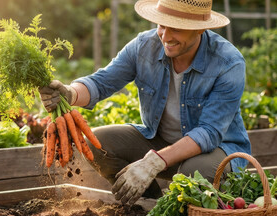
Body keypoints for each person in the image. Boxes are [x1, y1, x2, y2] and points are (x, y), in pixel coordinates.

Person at [39, 0, 251, 205]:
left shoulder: (228, 62)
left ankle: (178, 212)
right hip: (160, 142)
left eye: (175, 28)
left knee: (193, 174)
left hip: (216, 152)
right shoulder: (144, 46)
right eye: (161, 25)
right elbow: (102, 82)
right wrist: (70, 93)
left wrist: (155, 162)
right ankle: (150, 205)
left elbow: (209, 133)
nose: (165, 36)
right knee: (97, 144)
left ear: (199, 29)